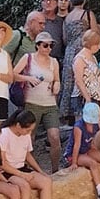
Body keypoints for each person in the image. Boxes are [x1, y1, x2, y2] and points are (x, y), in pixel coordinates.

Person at [0, 110, 60, 199]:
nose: (29, 133)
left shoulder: (25, 134)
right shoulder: (5, 134)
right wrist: (21, 175)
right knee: (24, 186)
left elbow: (27, 155)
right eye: (28, 129)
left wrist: (39, 171)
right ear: (18, 125)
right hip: (7, 171)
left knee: (46, 181)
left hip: (21, 168)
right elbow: (2, 163)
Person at [17, 29, 63, 171]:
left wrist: (56, 86)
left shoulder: (54, 62)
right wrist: (28, 78)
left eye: (50, 46)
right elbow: (12, 74)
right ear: (37, 45)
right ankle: (30, 167)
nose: (48, 49)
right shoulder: (28, 58)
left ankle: (55, 168)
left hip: (50, 103)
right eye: (45, 45)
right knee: (29, 137)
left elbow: (57, 80)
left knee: (54, 136)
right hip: (32, 102)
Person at [58, 0, 92, 124]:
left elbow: (65, 38)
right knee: (83, 80)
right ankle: (81, 110)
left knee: (68, 82)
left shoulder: (67, 18)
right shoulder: (87, 14)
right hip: (83, 50)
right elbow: (94, 33)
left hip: (69, 50)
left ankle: (66, 112)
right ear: (83, 1)